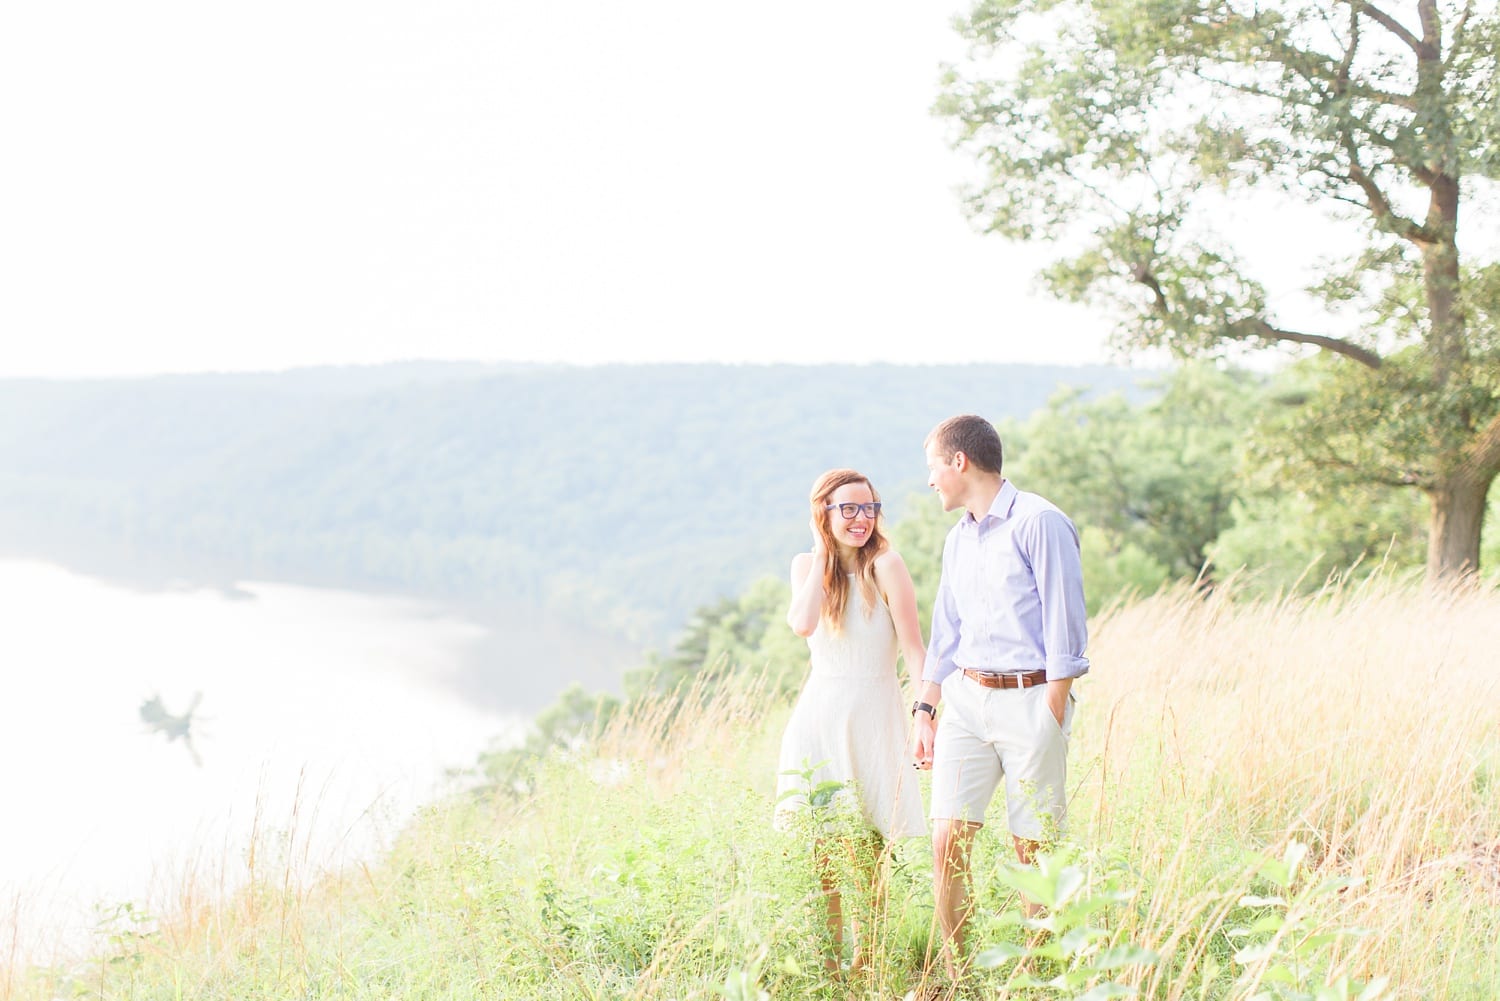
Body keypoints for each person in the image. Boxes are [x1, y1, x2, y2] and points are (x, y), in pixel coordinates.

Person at [908, 415, 1090, 978]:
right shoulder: (957, 538)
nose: (931, 480)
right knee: (946, 841)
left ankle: (1039, 977)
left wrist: (1050, 710)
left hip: (1031, 700)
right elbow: (945, 632)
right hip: (965, 700)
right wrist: (926, 708)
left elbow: (1066, 623)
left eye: (933, 466)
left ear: (959, 461)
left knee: (1032, 851)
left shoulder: (1040, 522)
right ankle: (959, 976)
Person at [774, 467, 928, 975]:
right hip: (819, 718)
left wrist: (926, 713)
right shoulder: (805, 566)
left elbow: (913, 649)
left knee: (868, 847)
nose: (861, 518)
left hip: (874, 717)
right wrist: (821, 555)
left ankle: (869, 961)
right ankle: (830, 964)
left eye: (869, 508)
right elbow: (802, 624)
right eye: (849, 509)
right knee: (822, 848)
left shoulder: (886, 565)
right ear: (825, 512)